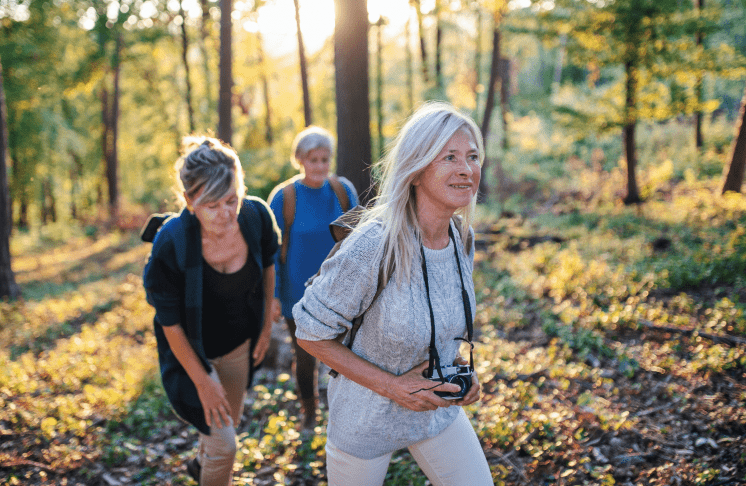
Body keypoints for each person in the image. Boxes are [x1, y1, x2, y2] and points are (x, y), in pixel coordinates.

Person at [292, 102, 495, 485]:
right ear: (416, 169)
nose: (466, 169)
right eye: (449, 157)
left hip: (436, 410)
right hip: (364, 422)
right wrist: (394, 387)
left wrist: (460, 372)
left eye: (471, 157)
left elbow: (442, 317)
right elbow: (308, 331)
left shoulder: (460, 238)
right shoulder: (374, 244)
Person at [143, 136, 280, 486]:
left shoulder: (256, 217)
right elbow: (169, 322)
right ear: (190, 201)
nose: (225, 214)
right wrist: (203, 382)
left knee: (223, 424)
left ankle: (199, 467)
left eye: (232, 200)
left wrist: (265, 328)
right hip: (191, 352)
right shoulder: (171, 242)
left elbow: (268, 267)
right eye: (212, 205)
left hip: (238, 344)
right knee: (225, 446)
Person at [268, 126, 359, 431]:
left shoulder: (343, 191)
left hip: (340, 291)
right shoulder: (284, 198)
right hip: (299, 294)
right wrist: (274, 296)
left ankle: (343, 416)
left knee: (345, 356)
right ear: (300, 160)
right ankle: (309, 413)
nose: (319, 166)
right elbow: (272, 253)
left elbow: (360, 241)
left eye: (324, 159)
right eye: (313, 160)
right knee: (306, 356)